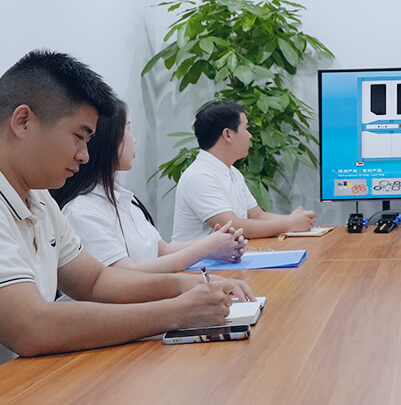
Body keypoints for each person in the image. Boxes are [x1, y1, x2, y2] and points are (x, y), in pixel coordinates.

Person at [0, 51, 253, 364]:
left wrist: (194, 283)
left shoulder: (39, 199)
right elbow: (31, 327)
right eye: (78, 137)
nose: (84, 155)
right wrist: (176, 311)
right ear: (23, 122)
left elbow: (96, 281)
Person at [52, 98, 247, 272]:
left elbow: (162, 250)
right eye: (128, 129)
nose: (134, 139)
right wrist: (206, 247)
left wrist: (215, 246)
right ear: (107, 139)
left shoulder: (123, 197)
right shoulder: (82, 211)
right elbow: (126, 275)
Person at [172, 100, 316, 241]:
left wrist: (294, 219)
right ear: (228, 134)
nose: (250, 135)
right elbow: (233, 226)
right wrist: (290, 224)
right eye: (246, 128)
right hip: (201, 258)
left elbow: (258, 216)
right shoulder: (199, 176)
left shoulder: (233, 172)